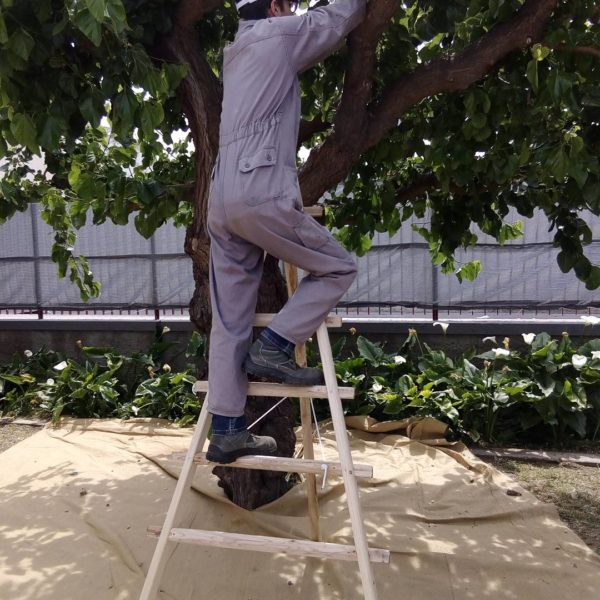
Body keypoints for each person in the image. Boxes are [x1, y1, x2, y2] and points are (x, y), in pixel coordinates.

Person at [205, 0, 366, 464]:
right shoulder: (277, 34)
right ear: (275, 7)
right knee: (338, 266)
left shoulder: (233, 51)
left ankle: (229, 431)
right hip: (259, 191)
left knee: (229, 319)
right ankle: (275, 345)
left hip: (220, 199)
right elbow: (335, 21)